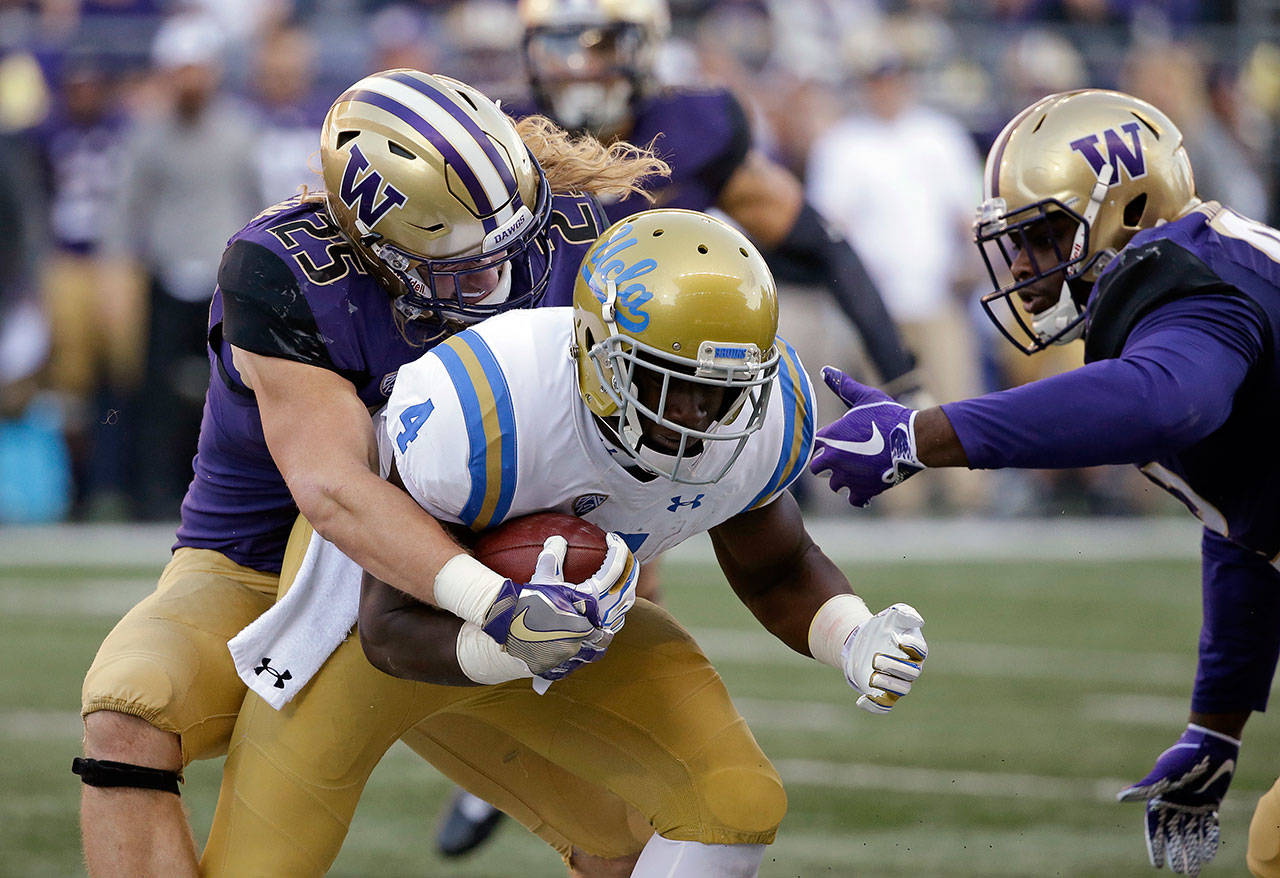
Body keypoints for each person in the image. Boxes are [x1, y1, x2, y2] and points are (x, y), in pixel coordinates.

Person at [199, 208, 929, 877]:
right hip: (369, 629)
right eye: (666, 382)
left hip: (571, 623)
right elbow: (386, 629)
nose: (697, 416)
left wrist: (850, 635)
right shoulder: (492, 404)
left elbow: (778, 569)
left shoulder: (758, 424)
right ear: (597, 353)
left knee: (734, 802)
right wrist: (506, 635)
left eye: (719, 390)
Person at [75, 68, 662, 877]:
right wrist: (491, 604)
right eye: (462, 267)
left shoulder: (570, 230)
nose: (499, 284)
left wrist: (612, 581)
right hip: (260, 570)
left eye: (511, 251)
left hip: (491, 559)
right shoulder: (283, 270)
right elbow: (334, 490)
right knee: (127, 712)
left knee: (630, 833)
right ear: (375, 246)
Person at [807, 88, 1280, 878]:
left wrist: (923, 437)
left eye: (1046, 233)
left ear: (1130, 210)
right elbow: (1249, 530)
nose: (1026, 265)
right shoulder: (1208, 271)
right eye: (1017, 242)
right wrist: (1216, 727)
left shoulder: (1197, 289)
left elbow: (1164, 402)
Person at [513, 0, 921, 399]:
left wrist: (901, 380)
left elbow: (828, 250)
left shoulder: (692, 132)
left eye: (602, 46)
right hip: (542, 374)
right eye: (559, 47)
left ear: (647, 45)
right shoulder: (511, 139)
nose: (580, 68)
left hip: (666, 373)